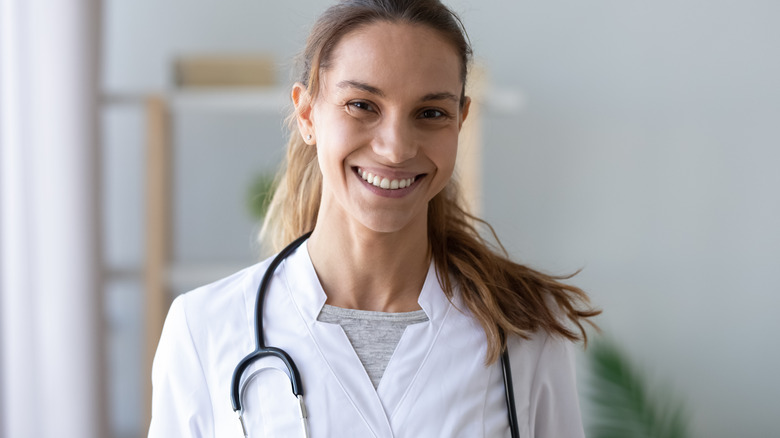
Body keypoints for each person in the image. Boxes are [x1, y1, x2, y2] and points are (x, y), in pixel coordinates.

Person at [148, 0, 600, 436]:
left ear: (460, 121)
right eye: (362, 105)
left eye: (430, 113)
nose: (396, 147)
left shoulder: (525, 331)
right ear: (307, 113)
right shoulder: (204, 328)